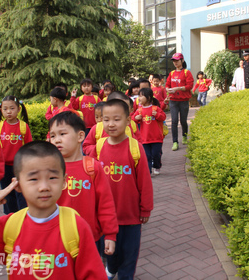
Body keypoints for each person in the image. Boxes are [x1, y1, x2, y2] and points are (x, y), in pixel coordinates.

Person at [0, 141, 107, 279]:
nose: (44, 187)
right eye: (33, 179)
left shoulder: (76, 226)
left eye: (52, 178)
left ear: (64, 182)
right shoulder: (10, 227)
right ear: (17, 185)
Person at [89, 100, 153, 280]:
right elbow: (90, 179)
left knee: (129, 256)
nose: (110, 124)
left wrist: (145, 208)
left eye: (116, 119)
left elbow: (145, 182)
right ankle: (112, 268)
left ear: (128, 121)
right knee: (109, 253)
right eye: (106, 119)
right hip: (105, 217)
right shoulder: (99, 147)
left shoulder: (135, 148)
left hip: (131, 216)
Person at [49, 112, 118, 257]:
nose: (57, 140)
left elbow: (105, 204)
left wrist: (110, 234)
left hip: (89, 238)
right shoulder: (48, 170)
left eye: (62, 134)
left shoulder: (93, 167)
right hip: (57, 238)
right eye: (53, 136)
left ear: (80, 136)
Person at [0, 96, 32, 214]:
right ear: (1, 110)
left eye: (12, 108)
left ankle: (23, 214)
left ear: (18, 109)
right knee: (7, 192)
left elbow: (29, 147)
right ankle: (10, 215)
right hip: (4, 166)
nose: (9, 111)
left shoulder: (23, 126)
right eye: (5, 109)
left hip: (19, 165)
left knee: (21, 191)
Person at [83, 91, 142, 156]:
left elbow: (138, 146)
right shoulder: (97, 128)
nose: (111, 125)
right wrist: (99, 149)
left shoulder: (129, 128)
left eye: (126, 108)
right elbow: (86, 146)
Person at [132, 88, 166, 176]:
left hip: (156, 138)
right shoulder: (139, 110)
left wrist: (157, 115)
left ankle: (157, 166)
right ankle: (149, 171)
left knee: (156, 154)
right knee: (147, 156)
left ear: (149, 98)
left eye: (141, 96)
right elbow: (132, 119)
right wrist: (136, 118)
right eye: (138, 96)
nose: (139, 98)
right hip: (144, 138)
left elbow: (163, 117)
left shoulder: (155, 108)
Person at [166, 52, 194, 151]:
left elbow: (189, 86)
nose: (175, 63)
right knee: (174, 121)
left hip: (183, 100)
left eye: (177, 60)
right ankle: (175, 142)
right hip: (173, 101)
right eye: (174, 61)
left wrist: (177, 88)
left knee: (183, 120)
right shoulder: (172, 73)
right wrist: (167, 89)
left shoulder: (187, 72)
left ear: (182, 60)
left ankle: (184, 136)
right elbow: (167, 84)